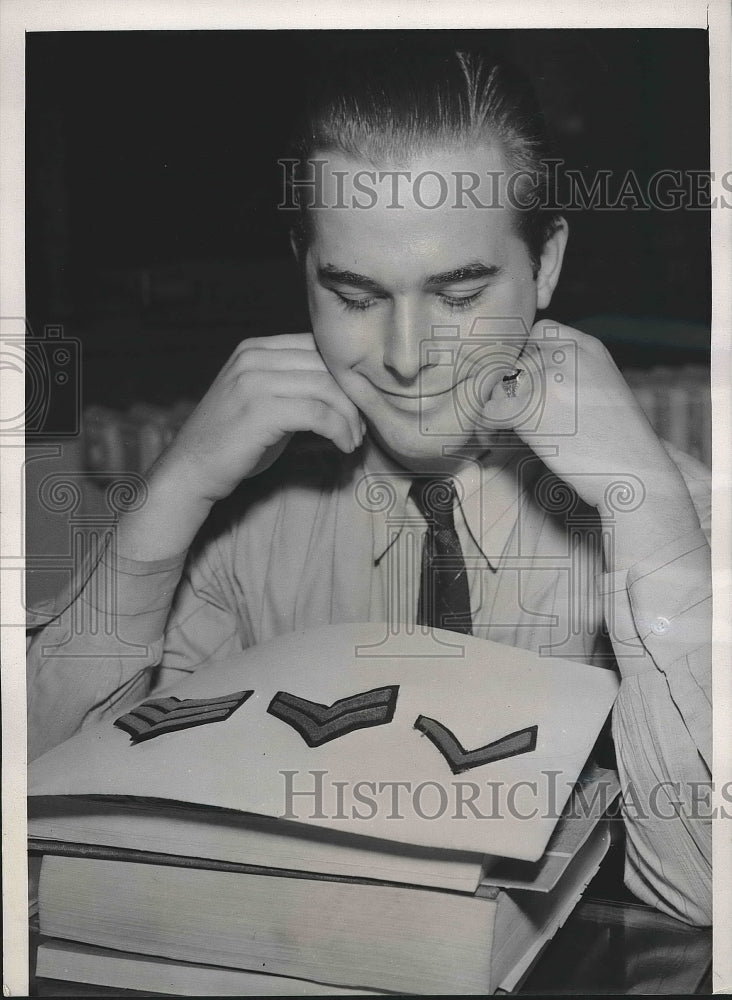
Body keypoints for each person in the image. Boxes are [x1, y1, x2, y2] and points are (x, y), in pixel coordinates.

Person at [27, 46, 711, 926]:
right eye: (354, 294)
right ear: (302, 271)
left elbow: (704, 891)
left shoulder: (681, 524)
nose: (402, 355)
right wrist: (171, 494)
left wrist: (644, 509)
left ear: (544, 266)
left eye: (460, 294)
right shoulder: (243, 530)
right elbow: (48, 819)